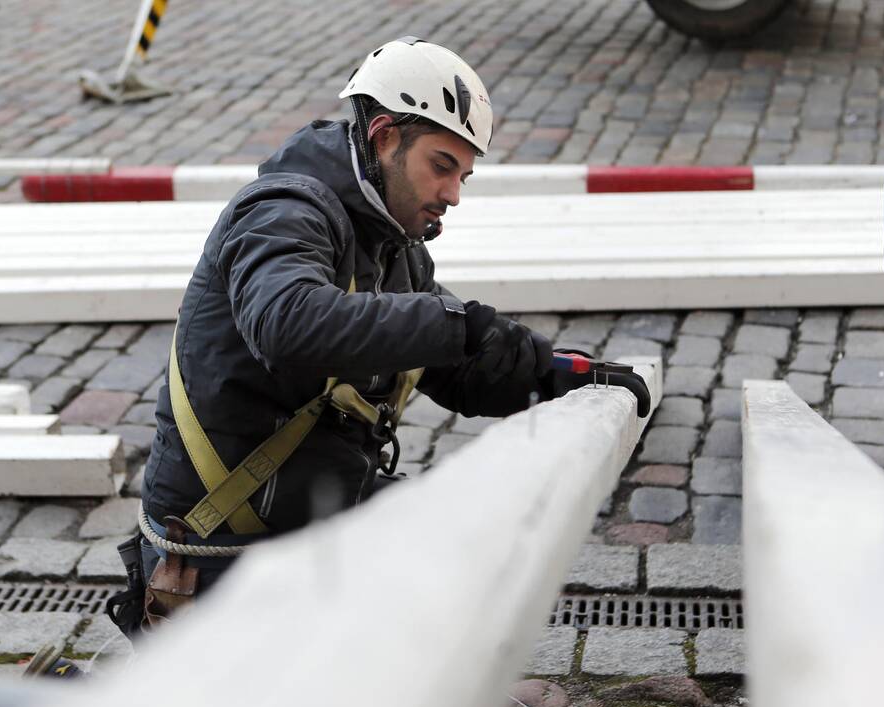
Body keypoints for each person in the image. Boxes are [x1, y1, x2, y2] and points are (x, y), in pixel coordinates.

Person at [107, 36, 651, 636]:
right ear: (384, 136)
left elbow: (459, 359)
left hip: (309, 514)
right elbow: (286, 322)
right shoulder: (285, 210)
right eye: (442, 166)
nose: (453, 195)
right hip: (221, 549)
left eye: (464, 176)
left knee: (474, 548)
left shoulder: (394, 242)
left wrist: (557, 374)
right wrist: (454, 324)